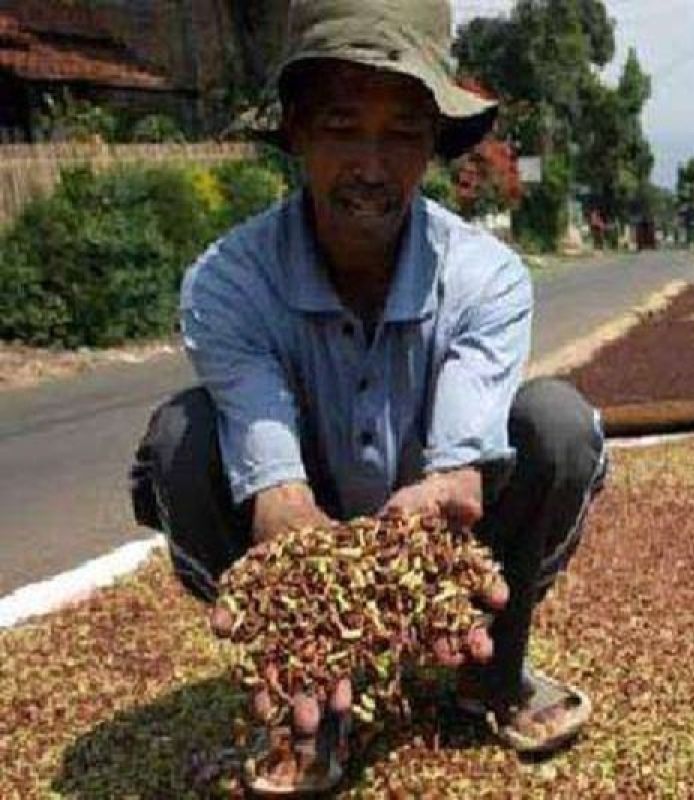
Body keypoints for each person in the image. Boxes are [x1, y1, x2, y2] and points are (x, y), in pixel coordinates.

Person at [127, 0, 607, 793]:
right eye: (344, 126)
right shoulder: (228, 281)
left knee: (558, 425)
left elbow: (458, 469)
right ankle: (304, 682)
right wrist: (302, 567)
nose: (373, 166)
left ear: (433, 146)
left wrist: (445, 497)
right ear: (297, 133)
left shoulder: (486, 278)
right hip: (299, 515)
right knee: (178, 439)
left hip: (430, 523)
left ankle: (491, 673)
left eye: (404, 133)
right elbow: (272, 478)